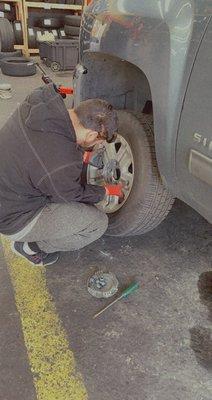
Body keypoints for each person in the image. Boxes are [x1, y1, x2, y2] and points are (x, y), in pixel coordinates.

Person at [0, 83, 123, 266]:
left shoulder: (38, 98)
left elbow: (50, 89)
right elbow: (70, 195)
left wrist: (78, 154)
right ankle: (29, 247)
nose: (98, 146)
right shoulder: (61, 164)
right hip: (13, 218)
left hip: (10, 182)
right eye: (99, 141)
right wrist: (105, 191)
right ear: (91, 136)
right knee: (96, 224)